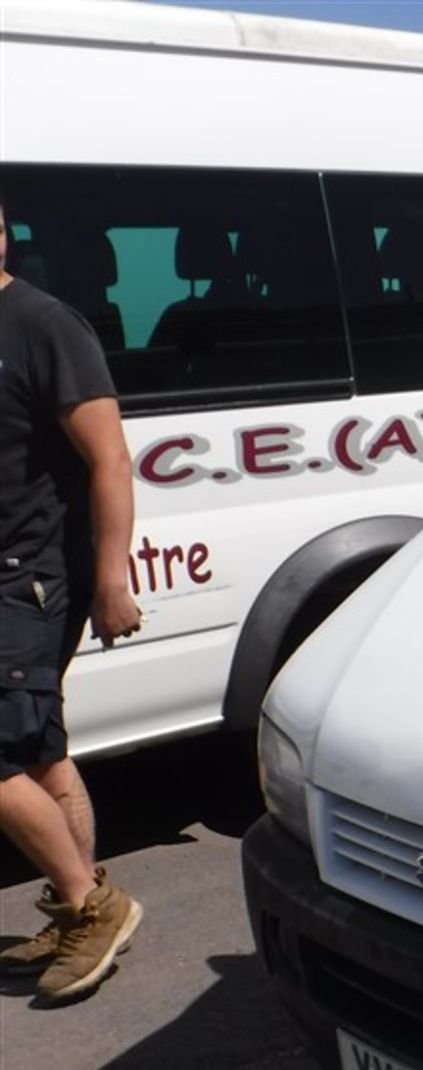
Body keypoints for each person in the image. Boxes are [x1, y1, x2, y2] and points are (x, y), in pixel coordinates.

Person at [0, 196, 145, 1002]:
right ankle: (73, 903)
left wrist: (111, 578)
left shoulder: (44, 323)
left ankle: (95, 907)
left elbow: (111, 461)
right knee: (41, 748)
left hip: (30, 572)